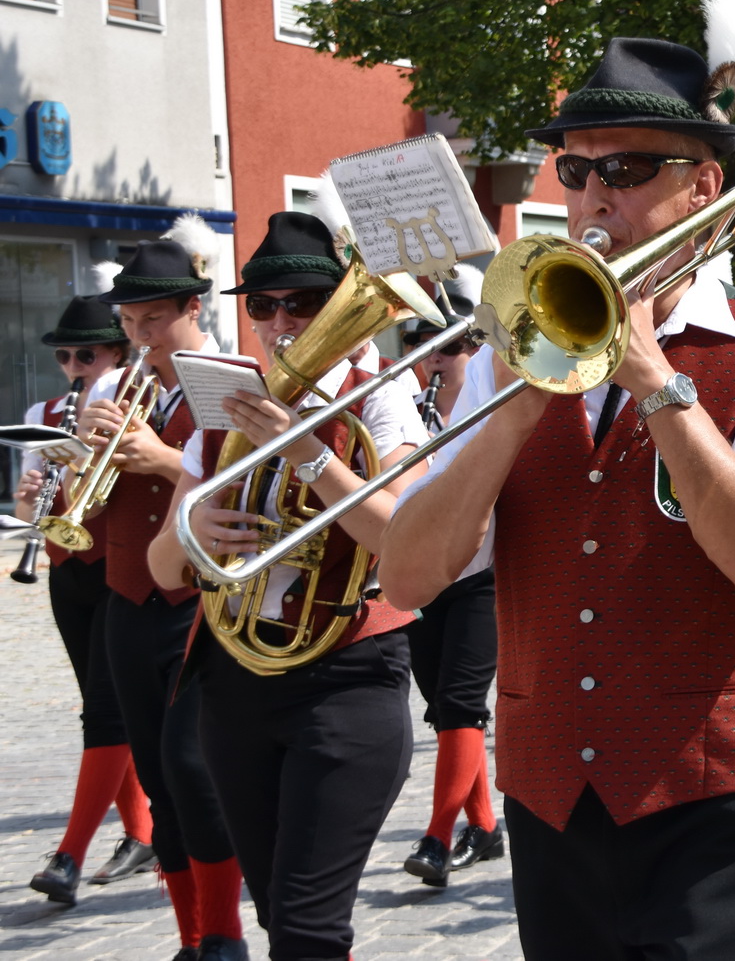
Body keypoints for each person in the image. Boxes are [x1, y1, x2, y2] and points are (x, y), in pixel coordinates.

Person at [377, 0, 735, 960]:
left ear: (702, 187)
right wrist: (514, 402)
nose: (594, 196)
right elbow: (409, 576)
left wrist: (653, 376)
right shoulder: (518, 344)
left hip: (711, 801)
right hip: (550, 799)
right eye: (575, 168)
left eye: (627, 168)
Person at [146, 211, 429, 959]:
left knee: (306, 925)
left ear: (339, 307)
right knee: (278, 913)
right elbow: (159, 568)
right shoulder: (226, 397)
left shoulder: (381, 396)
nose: (279, 322)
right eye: (262, 305)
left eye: (301, 303)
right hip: (235, 681)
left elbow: (402, 536)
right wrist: (190, 529)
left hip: (347, 678)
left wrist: (305, 450)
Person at [85, 224, 247, 961]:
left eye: (153, 319)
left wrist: (155, 457)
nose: (140, 335)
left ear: (191, 308)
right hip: (126, 596)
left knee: (192, 767)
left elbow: (244, 487)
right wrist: (71, 464)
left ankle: (224, 934)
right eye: (128, 323)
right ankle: (191, 938)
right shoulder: (113, 386)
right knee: (155, 773)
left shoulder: (227, 379)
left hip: (196, 605)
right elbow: (84, 508)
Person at [15, 295, 156, 905]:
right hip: (65, 572)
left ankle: (70, 854)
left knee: (103, 713)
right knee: (105, 707)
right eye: (66, 355)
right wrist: (30, 496)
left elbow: (105, 501)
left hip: (115, 568)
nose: (75, 366)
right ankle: (141, 831)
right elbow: (31, 517)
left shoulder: (127, 408)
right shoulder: (41, 412)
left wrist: (81, 457)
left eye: (88, 355)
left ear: (117, 355)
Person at [398, 264, 508, 885]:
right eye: (427, 346)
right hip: (427, 571)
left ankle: (438, 838)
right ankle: (486, 827)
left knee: (462, 705)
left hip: (484, 570)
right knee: (442, 707)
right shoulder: (407, 410)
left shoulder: (493, 399)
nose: (438, 359)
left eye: (455, 345)